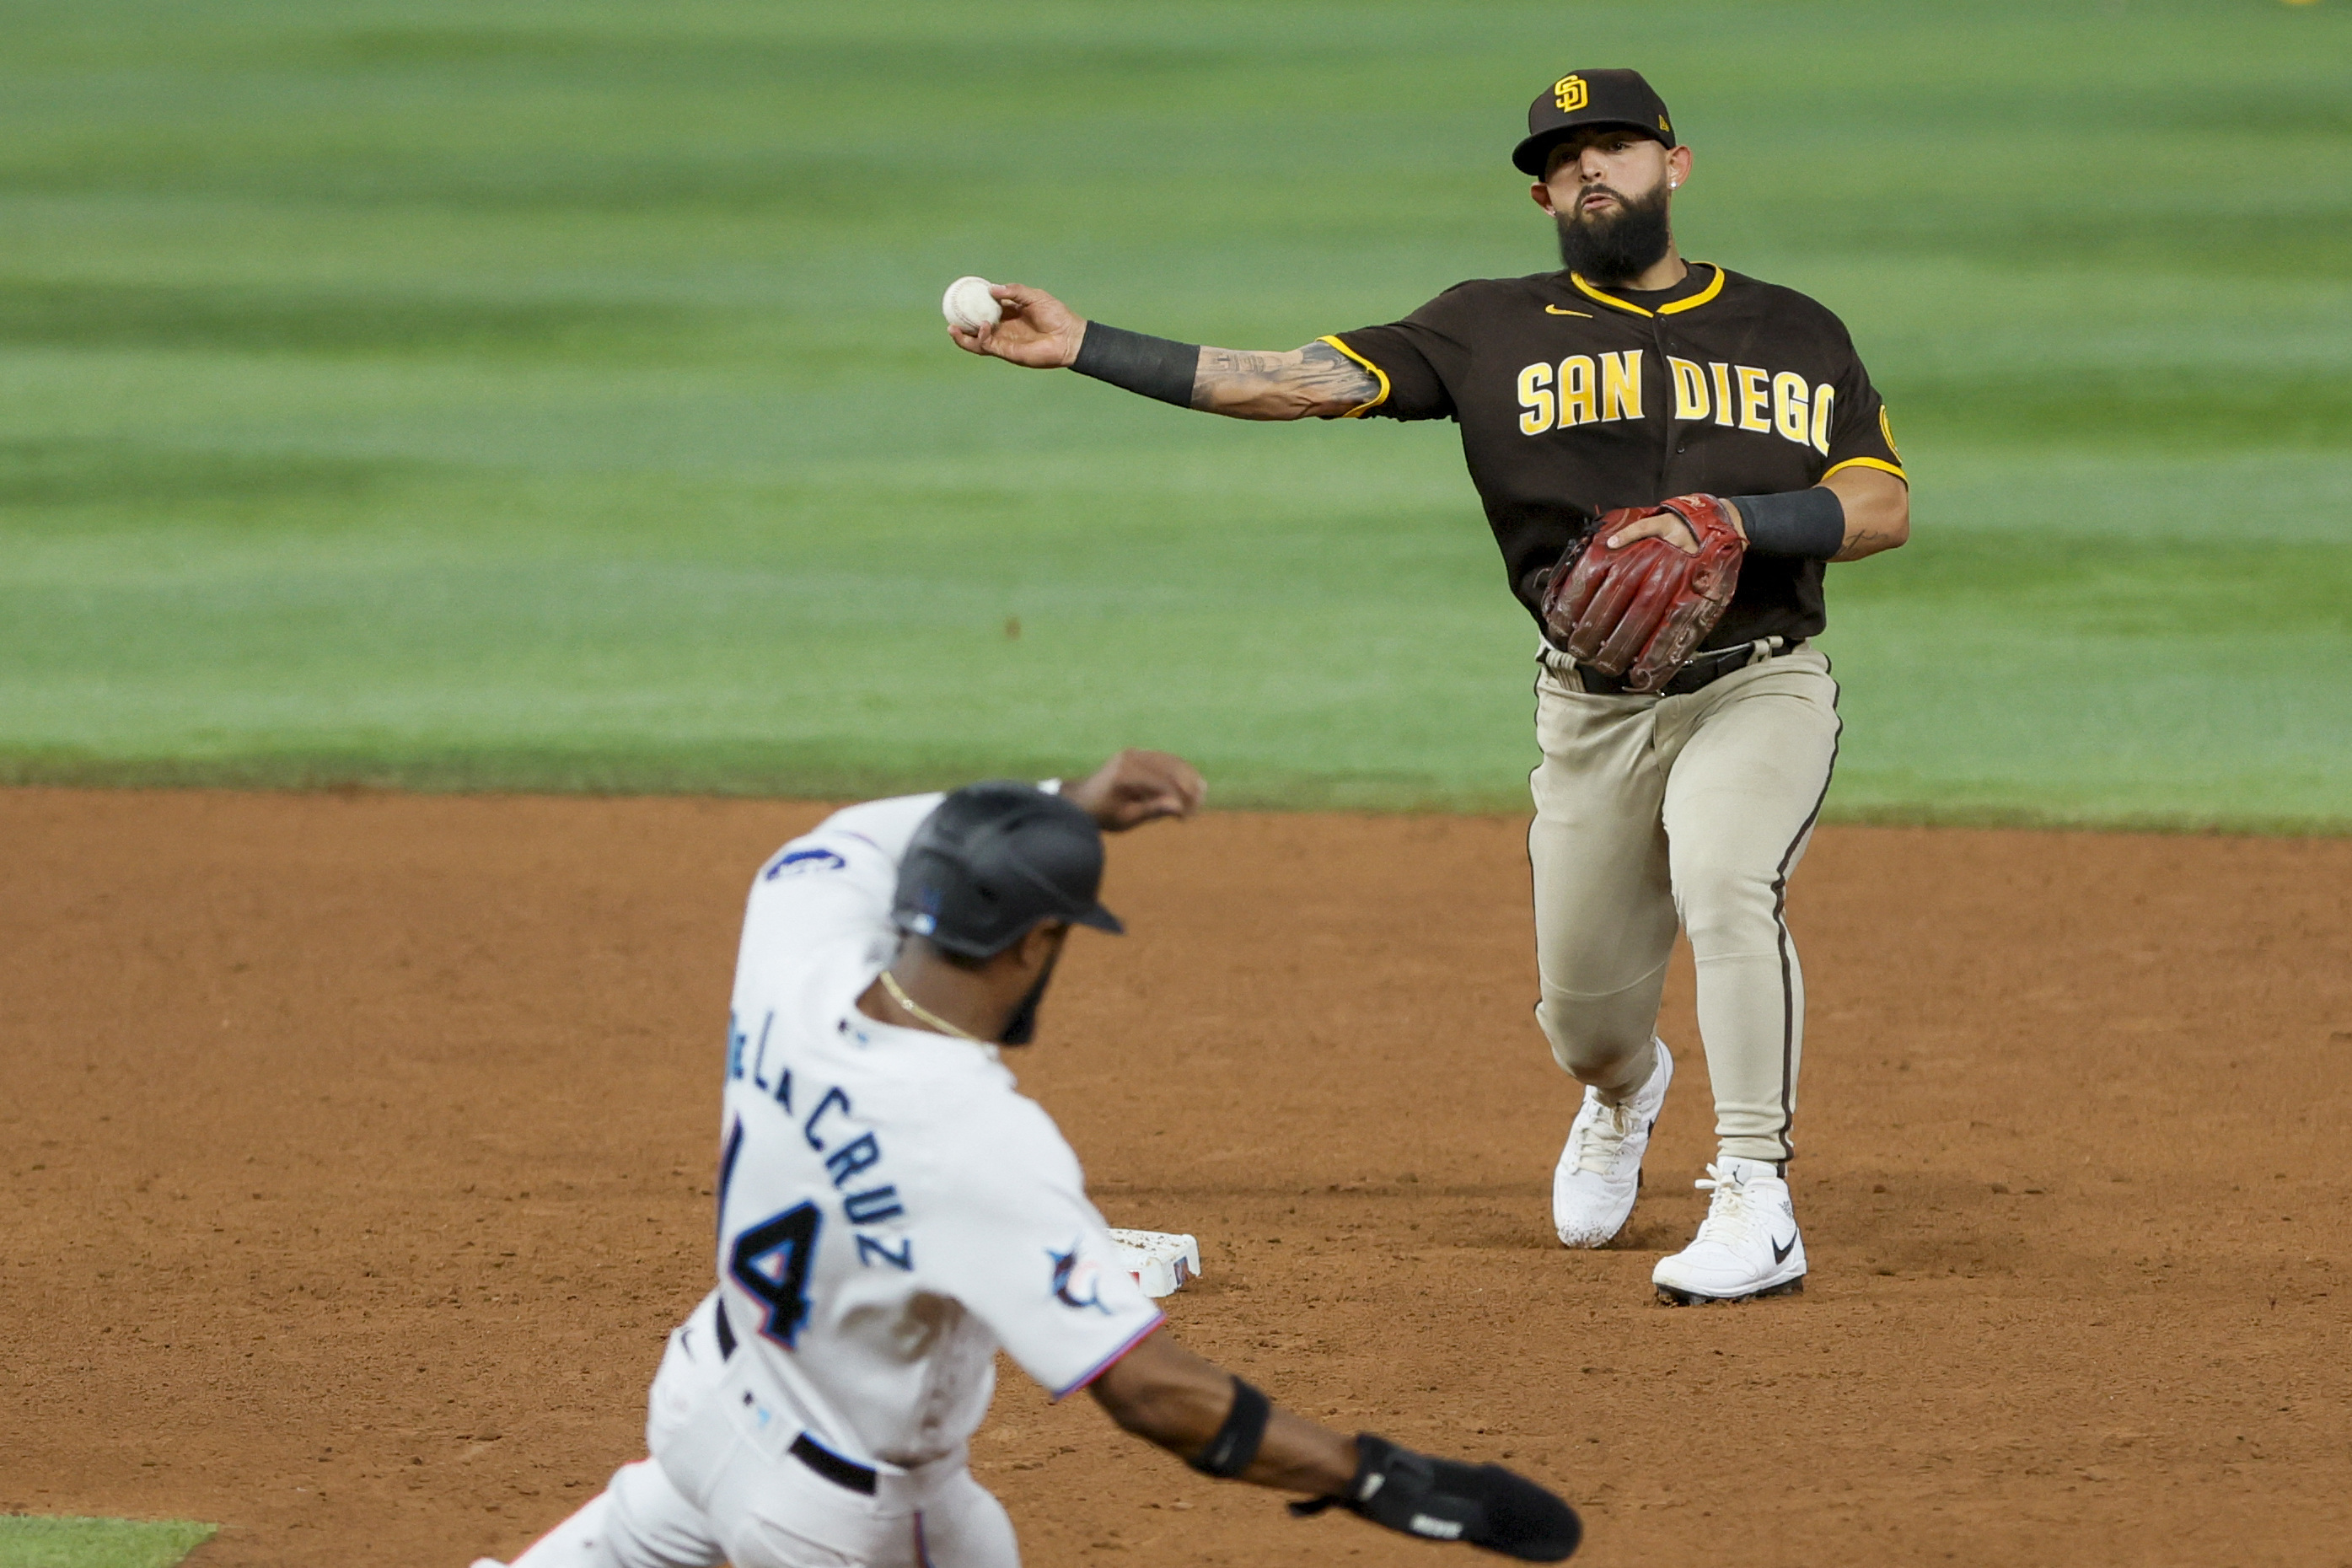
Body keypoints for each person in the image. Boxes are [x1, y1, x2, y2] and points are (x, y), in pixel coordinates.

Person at [948, 70, 1910, 1305]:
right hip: (1591, 710)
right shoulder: (1484, 326)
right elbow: (1288, 381)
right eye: (1565, 160)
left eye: (1615, 146)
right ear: (1540, 194)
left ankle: (1752, 1194)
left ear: (1675, 165)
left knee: (1728, 881)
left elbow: (1878, 506)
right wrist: (1083, 344)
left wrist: (1734, 517)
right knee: (1583, 1020)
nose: (1591, 171)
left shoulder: (1792, 330)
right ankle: (1624, 1095)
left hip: (1757, 686)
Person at [472, 749, 1581, 1568]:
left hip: (708, 1399)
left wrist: (1057, 809)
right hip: (835, 1524)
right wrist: (1375, 1479)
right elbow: (1153, 1395)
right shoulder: (972, 1140)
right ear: (1037, 943)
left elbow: (863, 830)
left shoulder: (793, 929)